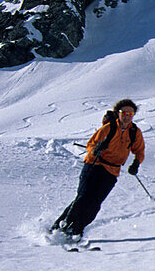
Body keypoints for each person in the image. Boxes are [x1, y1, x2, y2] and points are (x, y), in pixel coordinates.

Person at [52, 99, 146, 240]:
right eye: (124, 112)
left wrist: (136, 163)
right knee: (83, 198)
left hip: (112, 171)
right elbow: (91, 145)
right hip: (94, 165)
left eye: (130, 113)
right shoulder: (108, 128)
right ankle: (60, 229)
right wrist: (96, 150)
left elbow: (139, 150)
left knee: (95, 203)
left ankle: (77, 230)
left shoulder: (134, 132)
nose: (127, 116)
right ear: (118, 113)